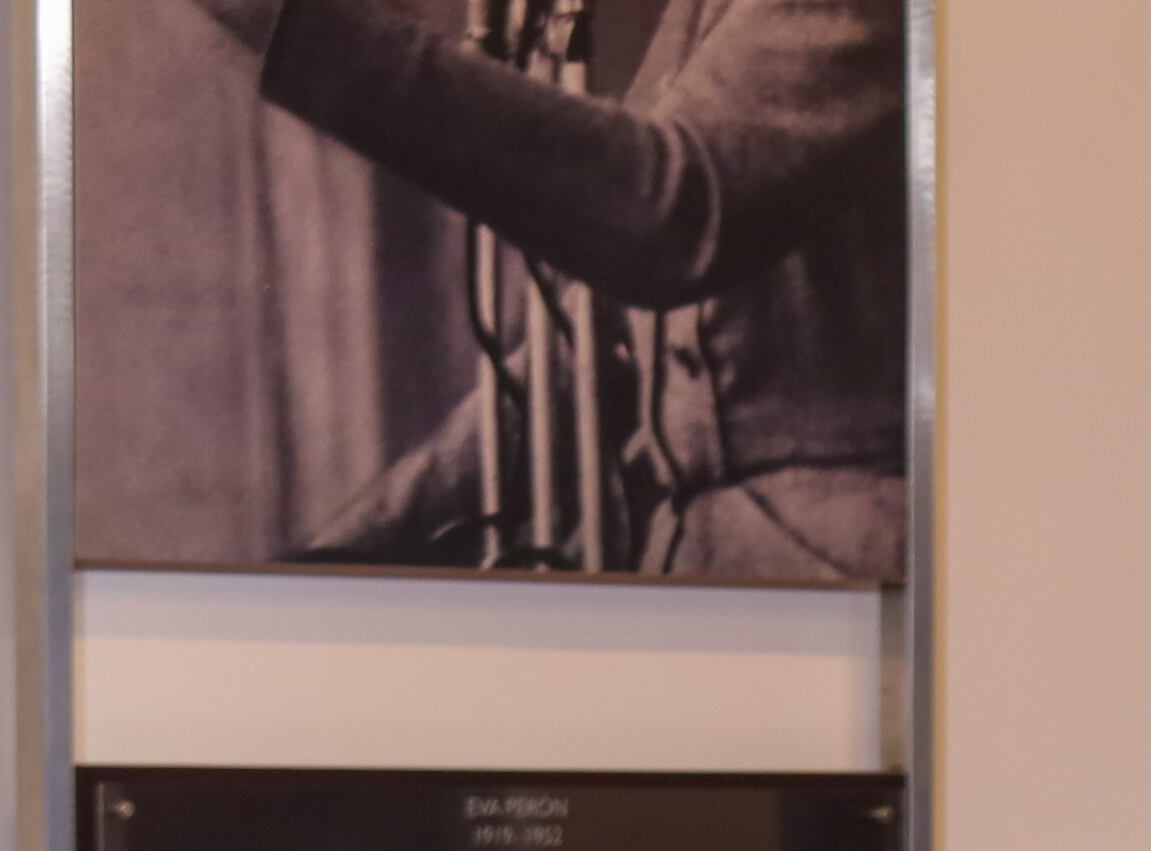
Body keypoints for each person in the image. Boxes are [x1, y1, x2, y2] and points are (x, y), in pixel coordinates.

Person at [172, 0, 910, 579]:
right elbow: (597, 347)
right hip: (713, 585)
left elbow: (669, 214)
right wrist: (346, 551)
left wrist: (297, 24)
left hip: (838, 591)